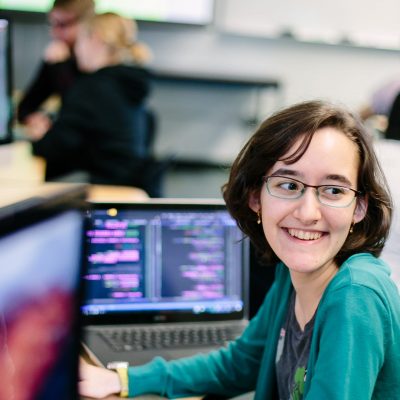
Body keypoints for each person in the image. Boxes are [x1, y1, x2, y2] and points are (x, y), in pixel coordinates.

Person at [78, 100, 400, 399]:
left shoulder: (356, 296)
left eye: (333, 190)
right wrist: (125, 380)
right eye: (289, 185)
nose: (308, 212)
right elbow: (238, 364)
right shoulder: (293, 275)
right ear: (255, 197)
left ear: (358, 207)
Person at [28, 13, 160, 195]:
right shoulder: (129, 82)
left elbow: (51, 148)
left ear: (95, 39)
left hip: (109, 192)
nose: (77, 51)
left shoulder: (91, 88)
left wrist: (41, 135)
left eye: (79, 43)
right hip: (131, 185)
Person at [17, 0, 95, 140]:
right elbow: (25, 108)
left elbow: (80, 111)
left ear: (87, 23)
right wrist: (37, 119)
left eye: (63, 24)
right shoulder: (58, 56)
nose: (54, 32)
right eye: (52, 24)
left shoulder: (100, 64)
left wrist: (62, 68)